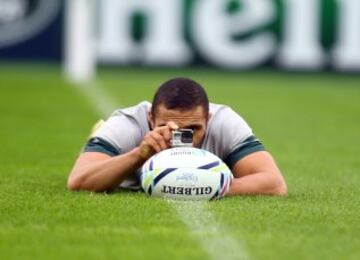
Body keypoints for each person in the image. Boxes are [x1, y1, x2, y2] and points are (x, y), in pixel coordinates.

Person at [67, 78, 287, 196]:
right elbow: (78, 181)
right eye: (167, 127)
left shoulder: (225, 122)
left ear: (208, 119)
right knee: (98, 153)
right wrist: (138, 155)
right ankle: (97, 140)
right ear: (150, 118)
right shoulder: (127, 124)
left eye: (193, 128)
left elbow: (274, 184)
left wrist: (206, 185)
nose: (181, 137)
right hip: (125, 145)